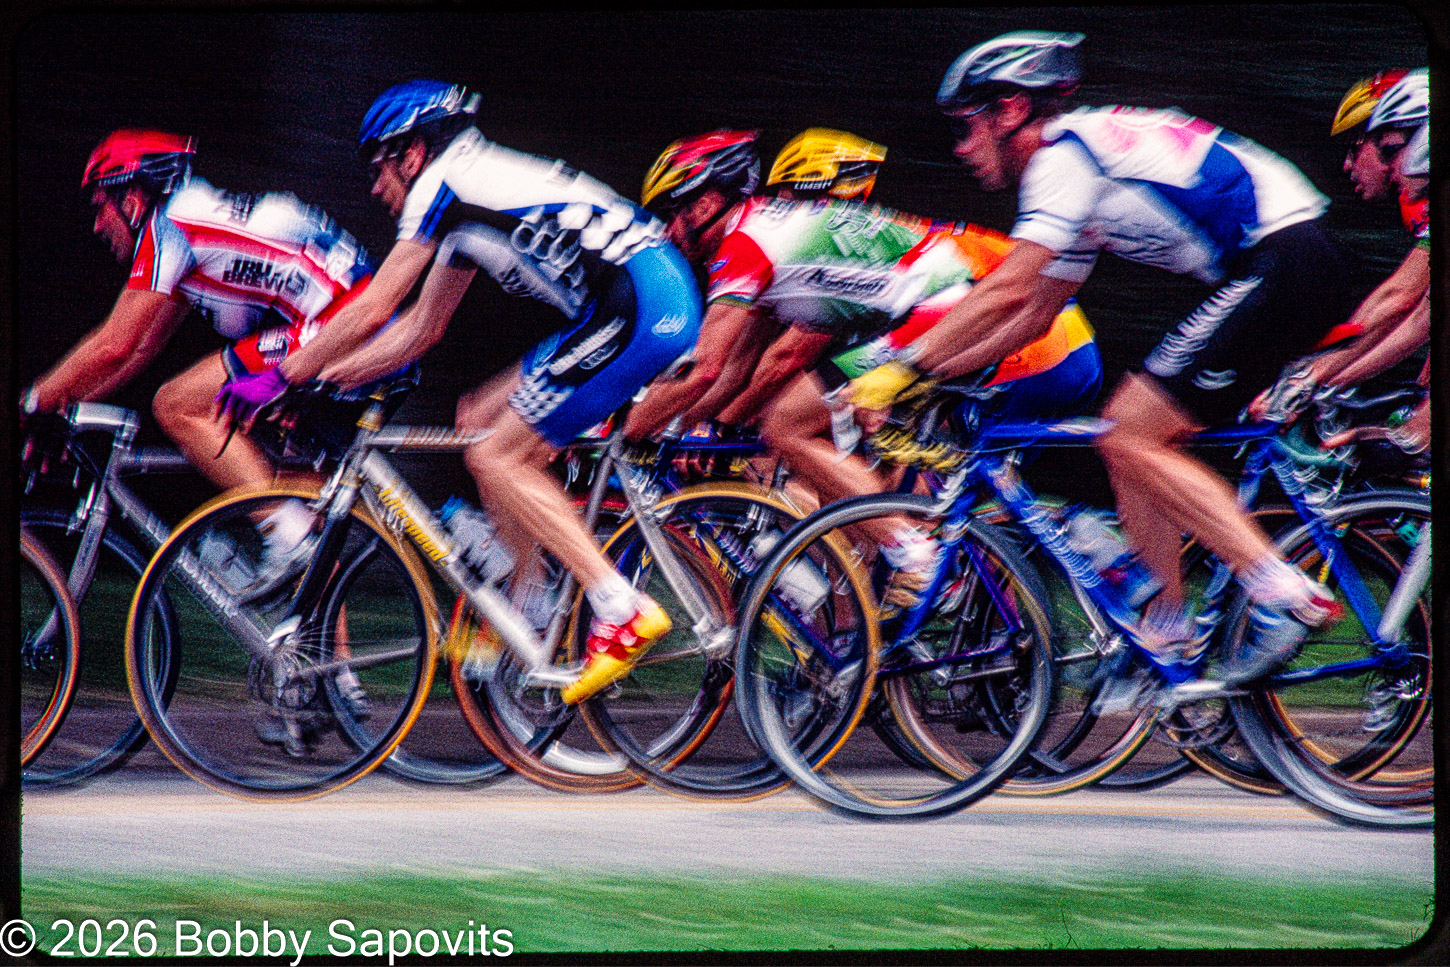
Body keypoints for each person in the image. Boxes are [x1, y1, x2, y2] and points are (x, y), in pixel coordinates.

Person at [847, 30, 1361, 688]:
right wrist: (940, 377)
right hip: (1282, 263)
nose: (961, 147)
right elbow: (1034, 312)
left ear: (1011, 110)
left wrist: (905, 368)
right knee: (1125, 438)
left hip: (1284, 260)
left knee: (1129, 432)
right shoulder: (1080, 168)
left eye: (967, 126)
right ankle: (1166, 638)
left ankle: (1282, 595)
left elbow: (1008, 285)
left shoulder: (1061, 159)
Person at [216, 80, 702, 704]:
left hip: (637, 304)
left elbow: (377, 305)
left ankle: (620, 607)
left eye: (378, 168)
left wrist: (286, 374)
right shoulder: (466, 202)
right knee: (477, 418)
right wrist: (323, 381)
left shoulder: (444, 184)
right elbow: (419, 329)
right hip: (630, 298)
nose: (375, 188)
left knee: (501, 457)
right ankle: (528, 603)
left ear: (413, 152)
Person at [625, 129, 1100, 603]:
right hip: (968, 315)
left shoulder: (743, 246)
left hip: (968, 321)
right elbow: (736, 369)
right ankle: (910, 589)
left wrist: (629, 431)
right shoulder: (771, 234)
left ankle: (919, 555)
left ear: (705, 205)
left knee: (789, 425)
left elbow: (720, 366)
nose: (665, 234)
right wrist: (693, 425)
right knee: (857, 465)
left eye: (669, 215)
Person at [20, 130, 395, 589]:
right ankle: (318, 629)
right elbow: (139, 349)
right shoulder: (189, 221)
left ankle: (288, 536)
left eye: (101, 206)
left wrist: (32, 404)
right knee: (293, 502)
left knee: (177, 405)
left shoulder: (169, 227)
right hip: (348, 325)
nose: (97, 225)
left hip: (342, 327)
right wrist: (66, 409)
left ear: (132, 199)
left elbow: (113, 344)